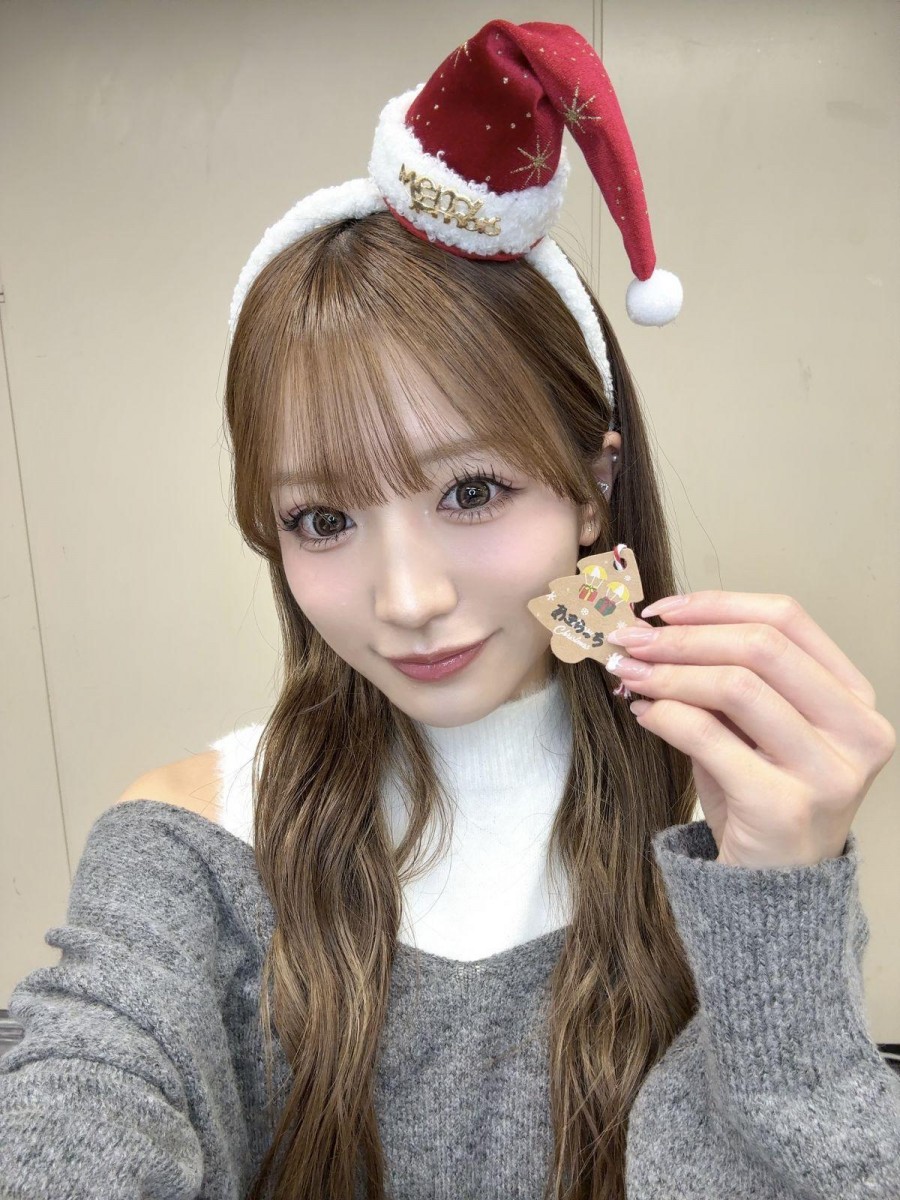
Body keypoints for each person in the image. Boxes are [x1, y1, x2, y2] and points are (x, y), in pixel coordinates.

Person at [2, 17, 898, 1200]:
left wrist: (776, 910)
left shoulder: (729, 815)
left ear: (592, 486)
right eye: (322, 517)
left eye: (472, 491)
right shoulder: (194, 842)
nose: (410, 600)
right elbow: (81, 1089)